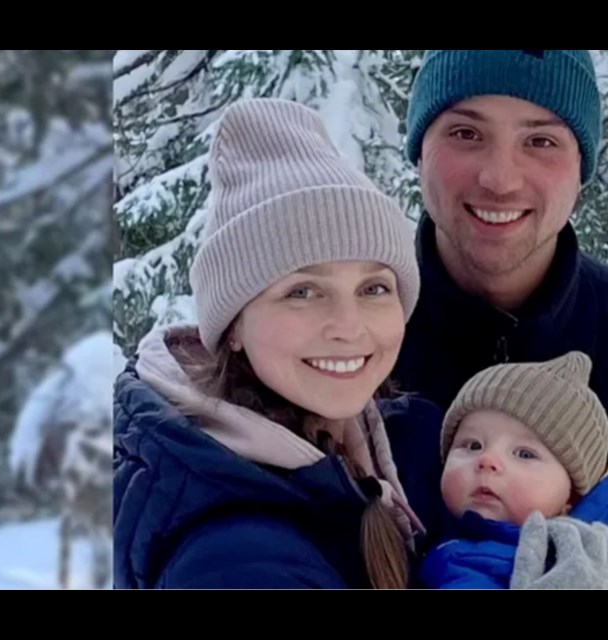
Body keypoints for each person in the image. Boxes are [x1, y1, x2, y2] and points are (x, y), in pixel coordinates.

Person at [392, 49, 608, 589]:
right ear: (419, 150)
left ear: (582, 166)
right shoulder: (346, 343)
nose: (500, 178)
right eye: (465, 133)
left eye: (541, 141)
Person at [112, 97, 449, 589]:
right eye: (302, 292)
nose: (348, 325)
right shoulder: (240, 563)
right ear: (234, 329)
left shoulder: (382, 445)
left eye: (373, 288)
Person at [419, 351, 608, 589]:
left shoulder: (605, 554)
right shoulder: (436, 532)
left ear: (572, 495)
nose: (487, 460)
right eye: (473, 445)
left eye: (524, 454)